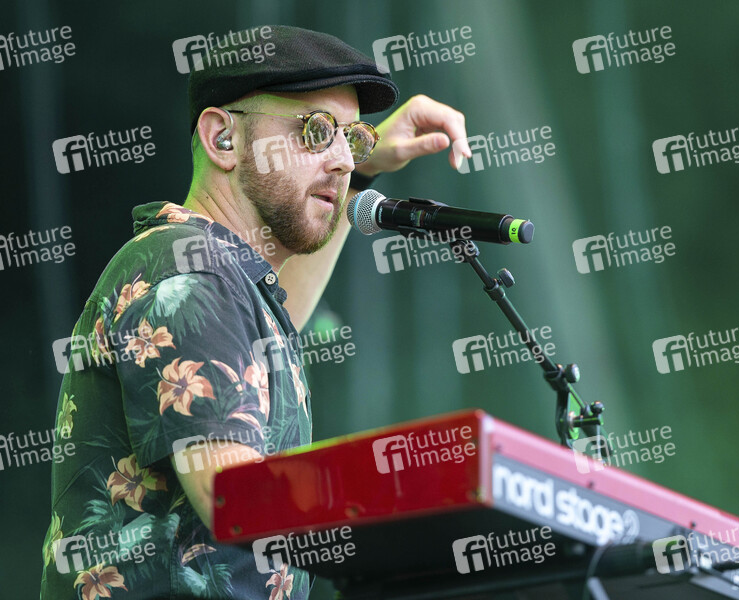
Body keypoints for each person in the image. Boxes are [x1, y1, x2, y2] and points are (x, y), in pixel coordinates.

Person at [40, 25, 470, 599]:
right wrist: (421, 504)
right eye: (317, 130)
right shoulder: (192, 275)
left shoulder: (218, 275)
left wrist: (366, 172)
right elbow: (234, 496)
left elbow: (278, 320)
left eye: (354, 139)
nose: (343, 160)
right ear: (223, 138)